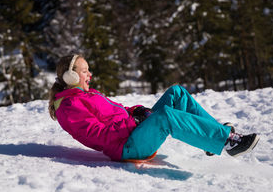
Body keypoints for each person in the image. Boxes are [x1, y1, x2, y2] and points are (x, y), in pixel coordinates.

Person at [48, 54, 259, 161]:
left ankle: (210, 138)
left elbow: (117, 110)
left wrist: (136, 111)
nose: (90, 75)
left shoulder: (86, 94)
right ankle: (226, 142)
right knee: (166, 116)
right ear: (70, 76)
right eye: (84, 71)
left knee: (176, 93)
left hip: (132, 131)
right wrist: (134, 122)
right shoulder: (69, 107)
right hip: (127, 147)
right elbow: (97, 136)